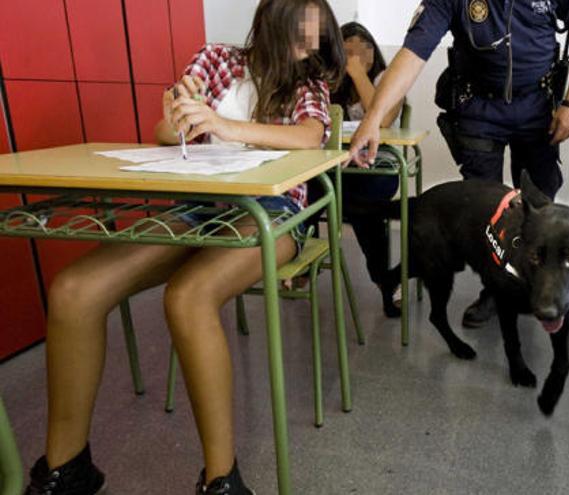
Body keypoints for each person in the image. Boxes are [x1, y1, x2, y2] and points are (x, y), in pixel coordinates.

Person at [24, 1, 344, 493]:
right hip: (198, 205)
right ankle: (66, 469)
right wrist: (178, 114)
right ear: (273, 21)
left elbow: (310, 136)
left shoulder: (308, 84)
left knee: (188, 297)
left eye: (316, 38)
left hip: (273, 215)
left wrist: (226, 127)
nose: (309, 48)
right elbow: (163, 134)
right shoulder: (216, 59)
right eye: (303, 34)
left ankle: (221, 479)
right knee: (75, 289)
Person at [348, 0, 569, 328]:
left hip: (539, 108)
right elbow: (413, 53)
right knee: (487, 211)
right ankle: (495, 291)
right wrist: (374, 116)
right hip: (478, 109)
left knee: (541, 205)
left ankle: (542, 287)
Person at [329, 21, 404, 317]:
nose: (356, 56)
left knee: (360, 203)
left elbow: (382, 120)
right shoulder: (334, 82)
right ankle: (298, 266)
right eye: (346, 51)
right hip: (340, 163)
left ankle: (384, 282)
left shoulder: (388, 78)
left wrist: (359, 73)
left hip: (378, 164)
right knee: (309, 187)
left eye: (364, 48)